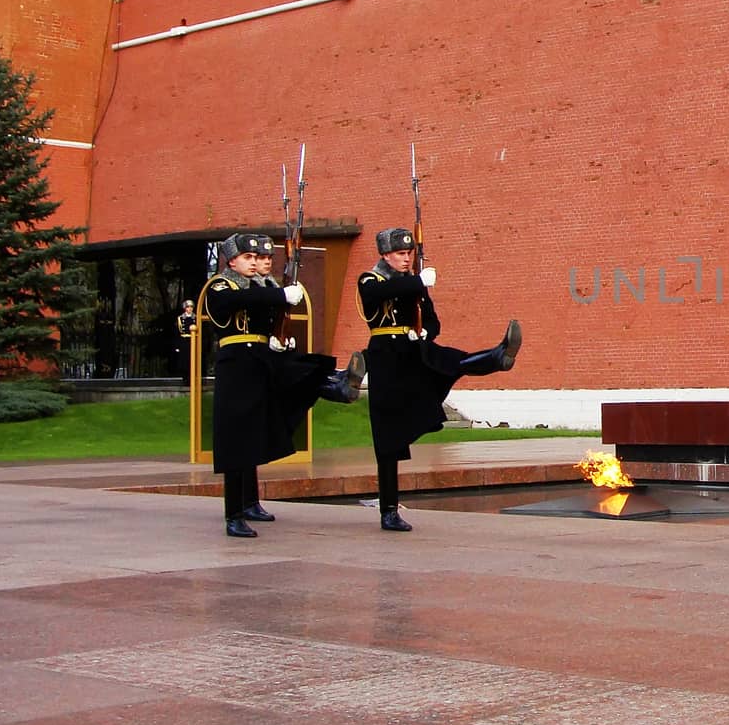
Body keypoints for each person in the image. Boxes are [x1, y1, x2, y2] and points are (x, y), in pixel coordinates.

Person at [358, 227, 520, 531]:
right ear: (384, 255)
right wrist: (417, 282)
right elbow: (375, 296)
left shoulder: (414, 284)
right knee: (389, 437)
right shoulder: (371, 279)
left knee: (451, 360)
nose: (406, 259)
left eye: (409, 254)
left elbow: (433, 321)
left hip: (412, 351)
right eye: (400, 254)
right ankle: (389, 510)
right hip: (386, 359)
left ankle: (497, 356)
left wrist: (425, 331)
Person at [204, 232, 365, 538]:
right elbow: (232, 303)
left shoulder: (259, 286)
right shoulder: (221, 285)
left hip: (261, 358)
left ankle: (337, 382)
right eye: (247, 258)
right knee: (238, 440)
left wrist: (281, 324)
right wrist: (278, 296)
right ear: (232, 260)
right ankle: (234, 514)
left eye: (257, 258)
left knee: (295, 374)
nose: (254, 263)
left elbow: (268, 315)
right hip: (237, 364)